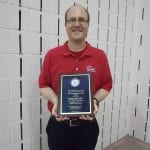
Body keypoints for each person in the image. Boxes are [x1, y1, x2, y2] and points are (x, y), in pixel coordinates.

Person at [39, 4, 112, 150]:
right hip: (58, 127)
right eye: (72, 20)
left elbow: (107, 84)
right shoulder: (52, 55)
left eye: (81, 20)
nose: (77, 24)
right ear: (65, 25)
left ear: (87, 25)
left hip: (87, 127)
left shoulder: (100, 56)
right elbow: (43, 84)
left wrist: (94, 100)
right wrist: (56, 102)